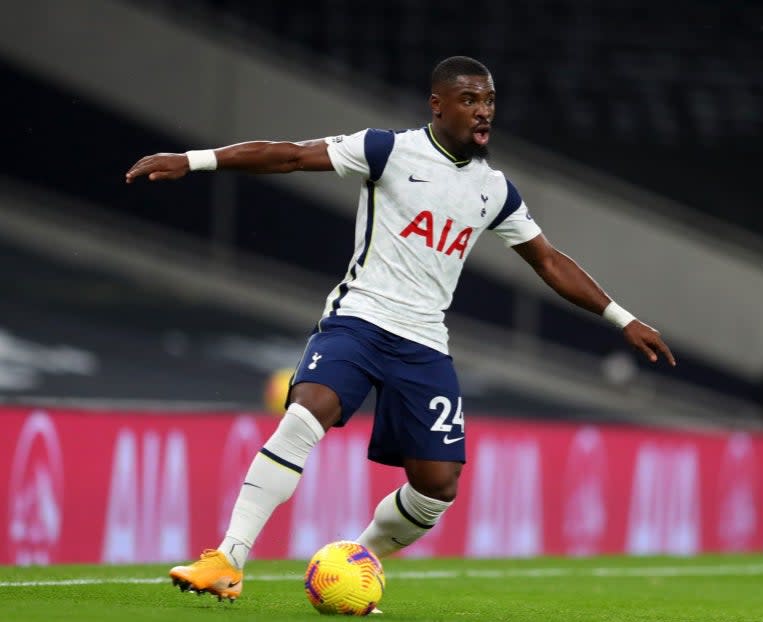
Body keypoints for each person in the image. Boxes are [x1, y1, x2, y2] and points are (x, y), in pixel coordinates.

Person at [125, 55, 675, 604]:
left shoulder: (495, 191)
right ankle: (229, 557)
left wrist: (621, 318)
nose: (483, 113)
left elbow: (549, 262)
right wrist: (194, 160)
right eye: (469, 101)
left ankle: (356, 556)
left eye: (488, 102)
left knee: (437, 488)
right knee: (305, 412)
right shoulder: (386, 150)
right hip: (359, 320)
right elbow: (292, 156)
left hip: (424, 343)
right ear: (437, 105)